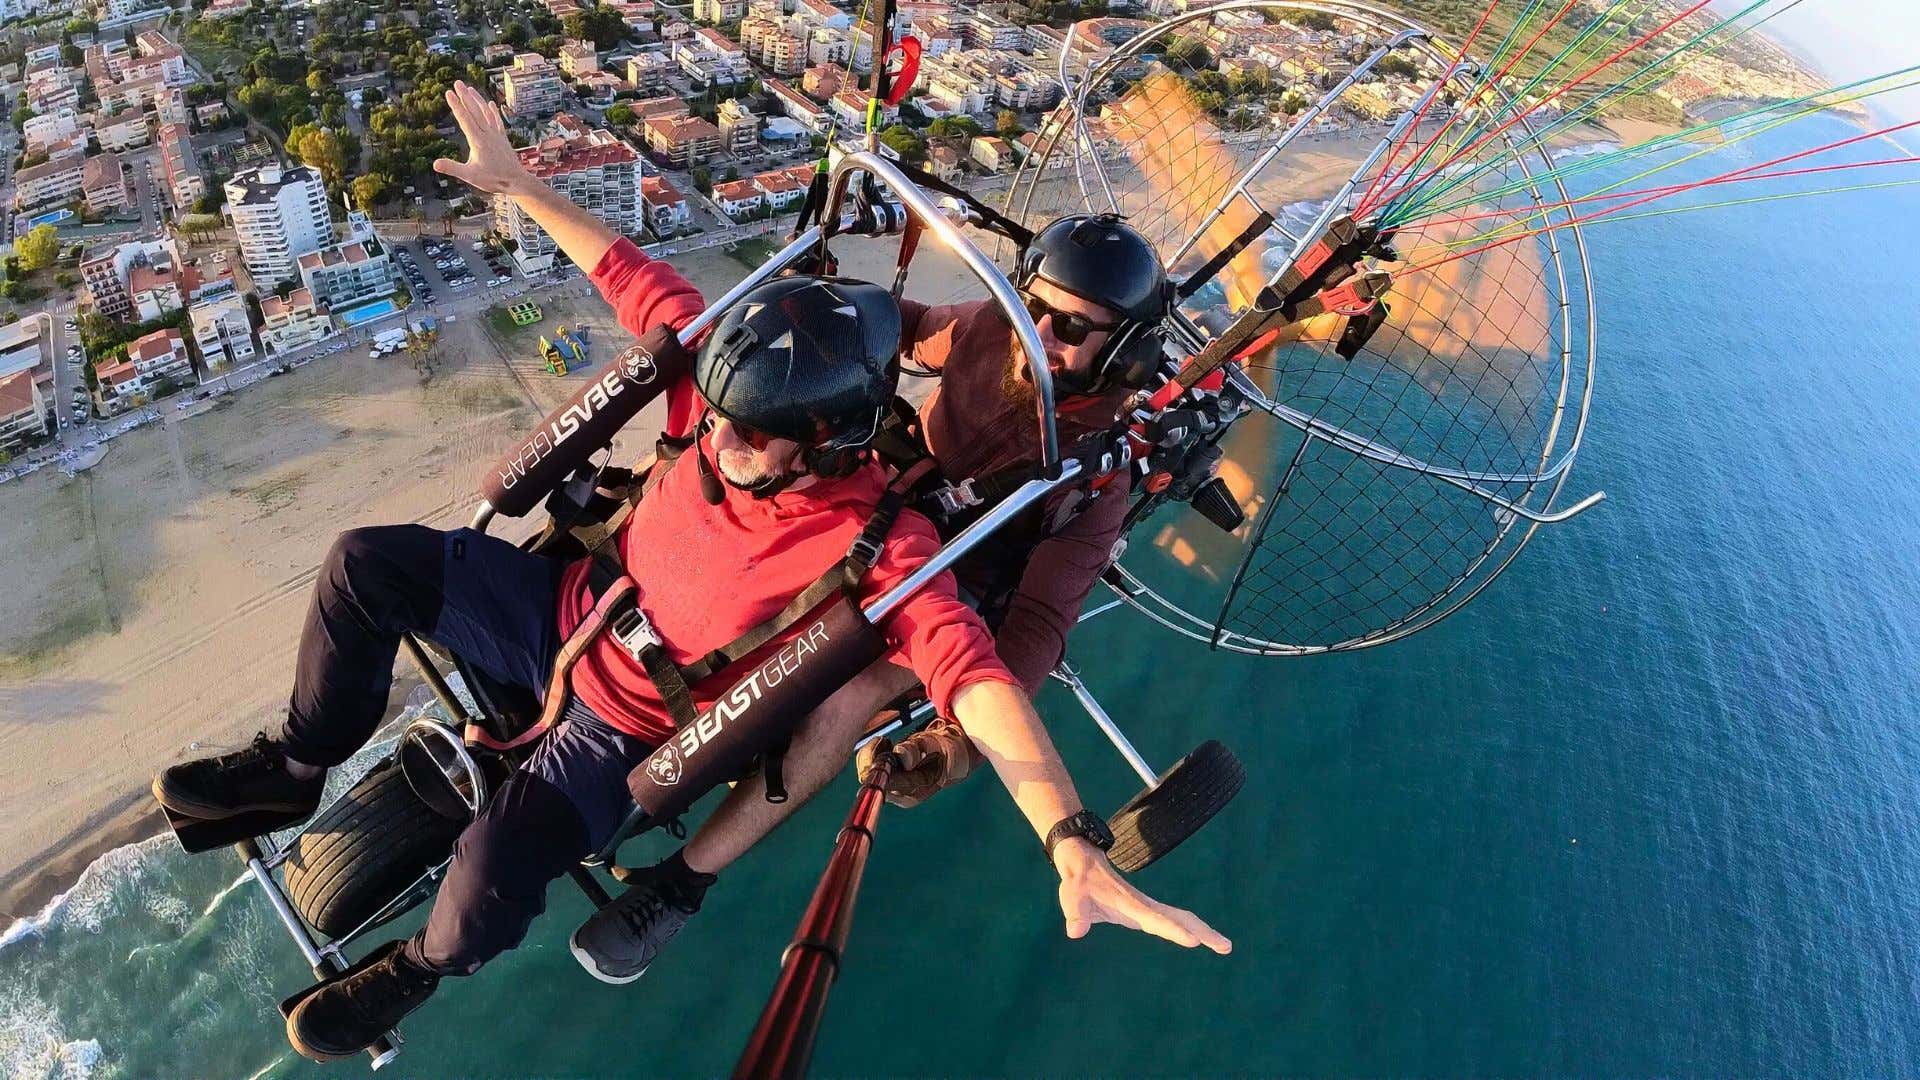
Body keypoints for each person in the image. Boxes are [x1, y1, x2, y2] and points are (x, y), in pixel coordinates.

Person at [151, 83, 1226, 1064]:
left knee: (490, 871)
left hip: (628, 725)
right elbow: (631, 275)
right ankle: (291, 770)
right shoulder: (743, 387)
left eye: (754, 437)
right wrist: (521, 183)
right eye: (722, 415)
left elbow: (977, 666)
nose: (724, 442)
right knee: (364, 565)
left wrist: (1068, 835)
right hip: (565, 609)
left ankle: (416, 975)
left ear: (825, 442)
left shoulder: (878, 546)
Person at [574, 213, 1191, 972]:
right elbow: (916, 323)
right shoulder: (989, 331)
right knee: (719, 458)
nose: (1035, 330)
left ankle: (681, 884)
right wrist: (820, 311)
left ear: (1123, 351)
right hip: (870, 493)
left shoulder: (1095, 480)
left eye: (1065, 324)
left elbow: (1036, 621)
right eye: (1028, 303)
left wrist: (958, 746)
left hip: (951, 579)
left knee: (856, 680)